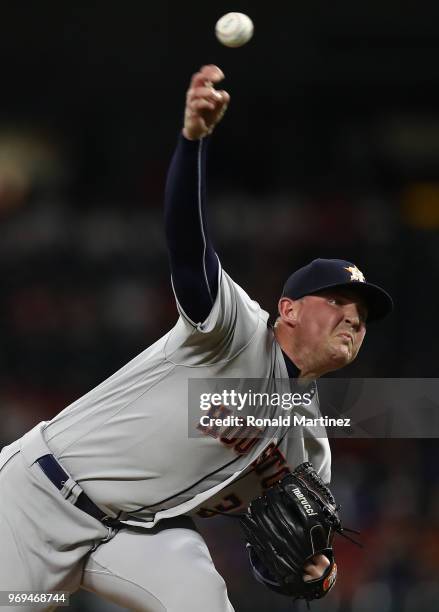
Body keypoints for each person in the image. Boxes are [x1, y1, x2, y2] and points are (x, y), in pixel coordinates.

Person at [0, 65, 392, 612]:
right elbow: (187, 244)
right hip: (39, 498)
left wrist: (318, 569)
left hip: (138, 534)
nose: (354, 318)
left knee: (203, 601)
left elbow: (306, 546)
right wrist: (193, 142)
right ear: (288, 310)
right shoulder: (235, 330)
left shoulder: (308, 443)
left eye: (363, 314)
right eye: (338, 302)